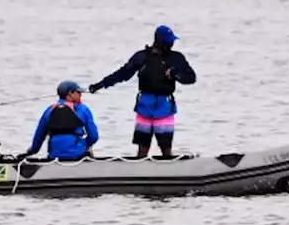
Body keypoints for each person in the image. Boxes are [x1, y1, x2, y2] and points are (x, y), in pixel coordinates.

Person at [88, 24, 197, 159]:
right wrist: (100, 85)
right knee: (142, 150)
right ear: (159, 41)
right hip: (144, 106)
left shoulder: (177, 58)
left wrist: (176, 74)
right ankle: (140, 171)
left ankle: (169, 172)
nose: (171, 44)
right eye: (169, 41)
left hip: (165, 107)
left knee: (166, 150)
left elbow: (191, 78)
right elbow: (123, 74)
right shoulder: (142, 57)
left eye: (172, 41)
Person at [28, 81, 100, 161]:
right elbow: (94, 137)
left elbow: (38, 139)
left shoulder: (49, 111)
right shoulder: (83, 109)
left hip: (54, 157)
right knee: (87, 148)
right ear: (70, 93)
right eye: (78, 92)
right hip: (79, 156)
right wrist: (85, 144)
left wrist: (30, 152)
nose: (81, 95)